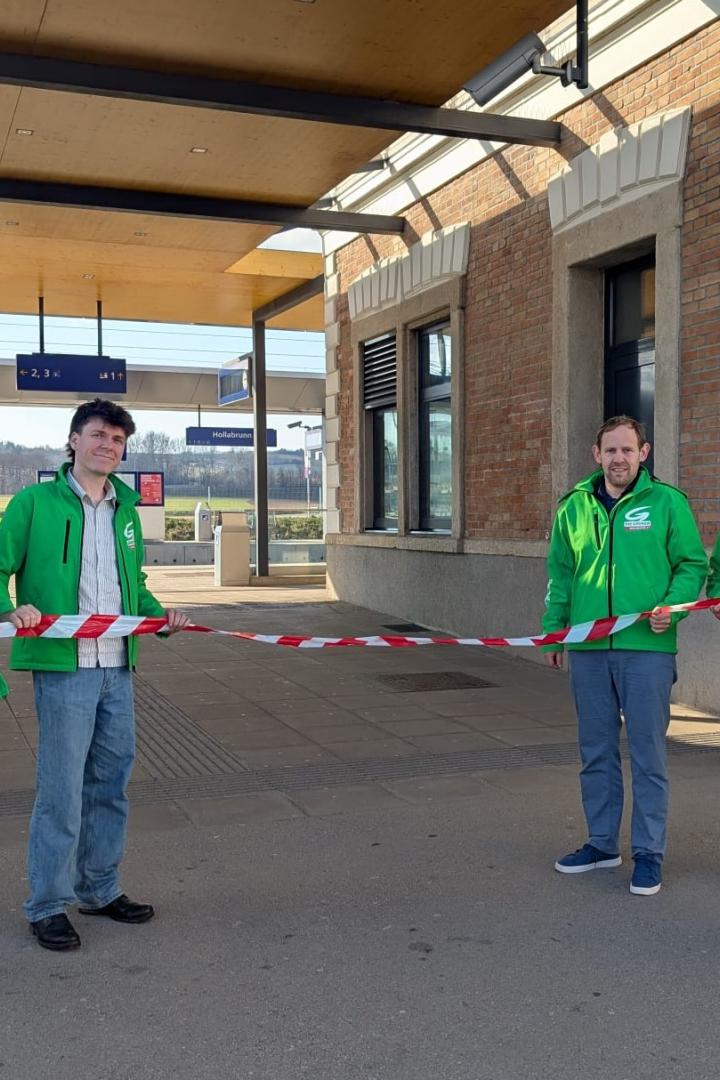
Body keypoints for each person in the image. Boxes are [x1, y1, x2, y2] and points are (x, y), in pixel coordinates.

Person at [0, 399, 190, 951]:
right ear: (75, 440)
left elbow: (134, 585)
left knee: (110, 786)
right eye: (99, 435)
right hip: (65, 670)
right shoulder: (35, 503)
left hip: (117, 668)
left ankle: (100, 889)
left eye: (118, 439)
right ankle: (47, 905)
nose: (109, 445)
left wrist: (161, 617)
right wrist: (13, 608)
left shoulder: (125, 512)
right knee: (61, 791)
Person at [543, 415, 706, 896]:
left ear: (643, 453)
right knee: (596, 751)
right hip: (589, 649)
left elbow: (691, 563)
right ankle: (601, 844)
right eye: (610, 450)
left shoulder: (667, 503)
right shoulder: (573, 507)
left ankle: (649, 854)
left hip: (647, 652)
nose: (618, 459)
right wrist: (555, 632)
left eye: (627, 450)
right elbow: (561, 573)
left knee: (648, 754)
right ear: (596, 455)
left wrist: (672, 610)